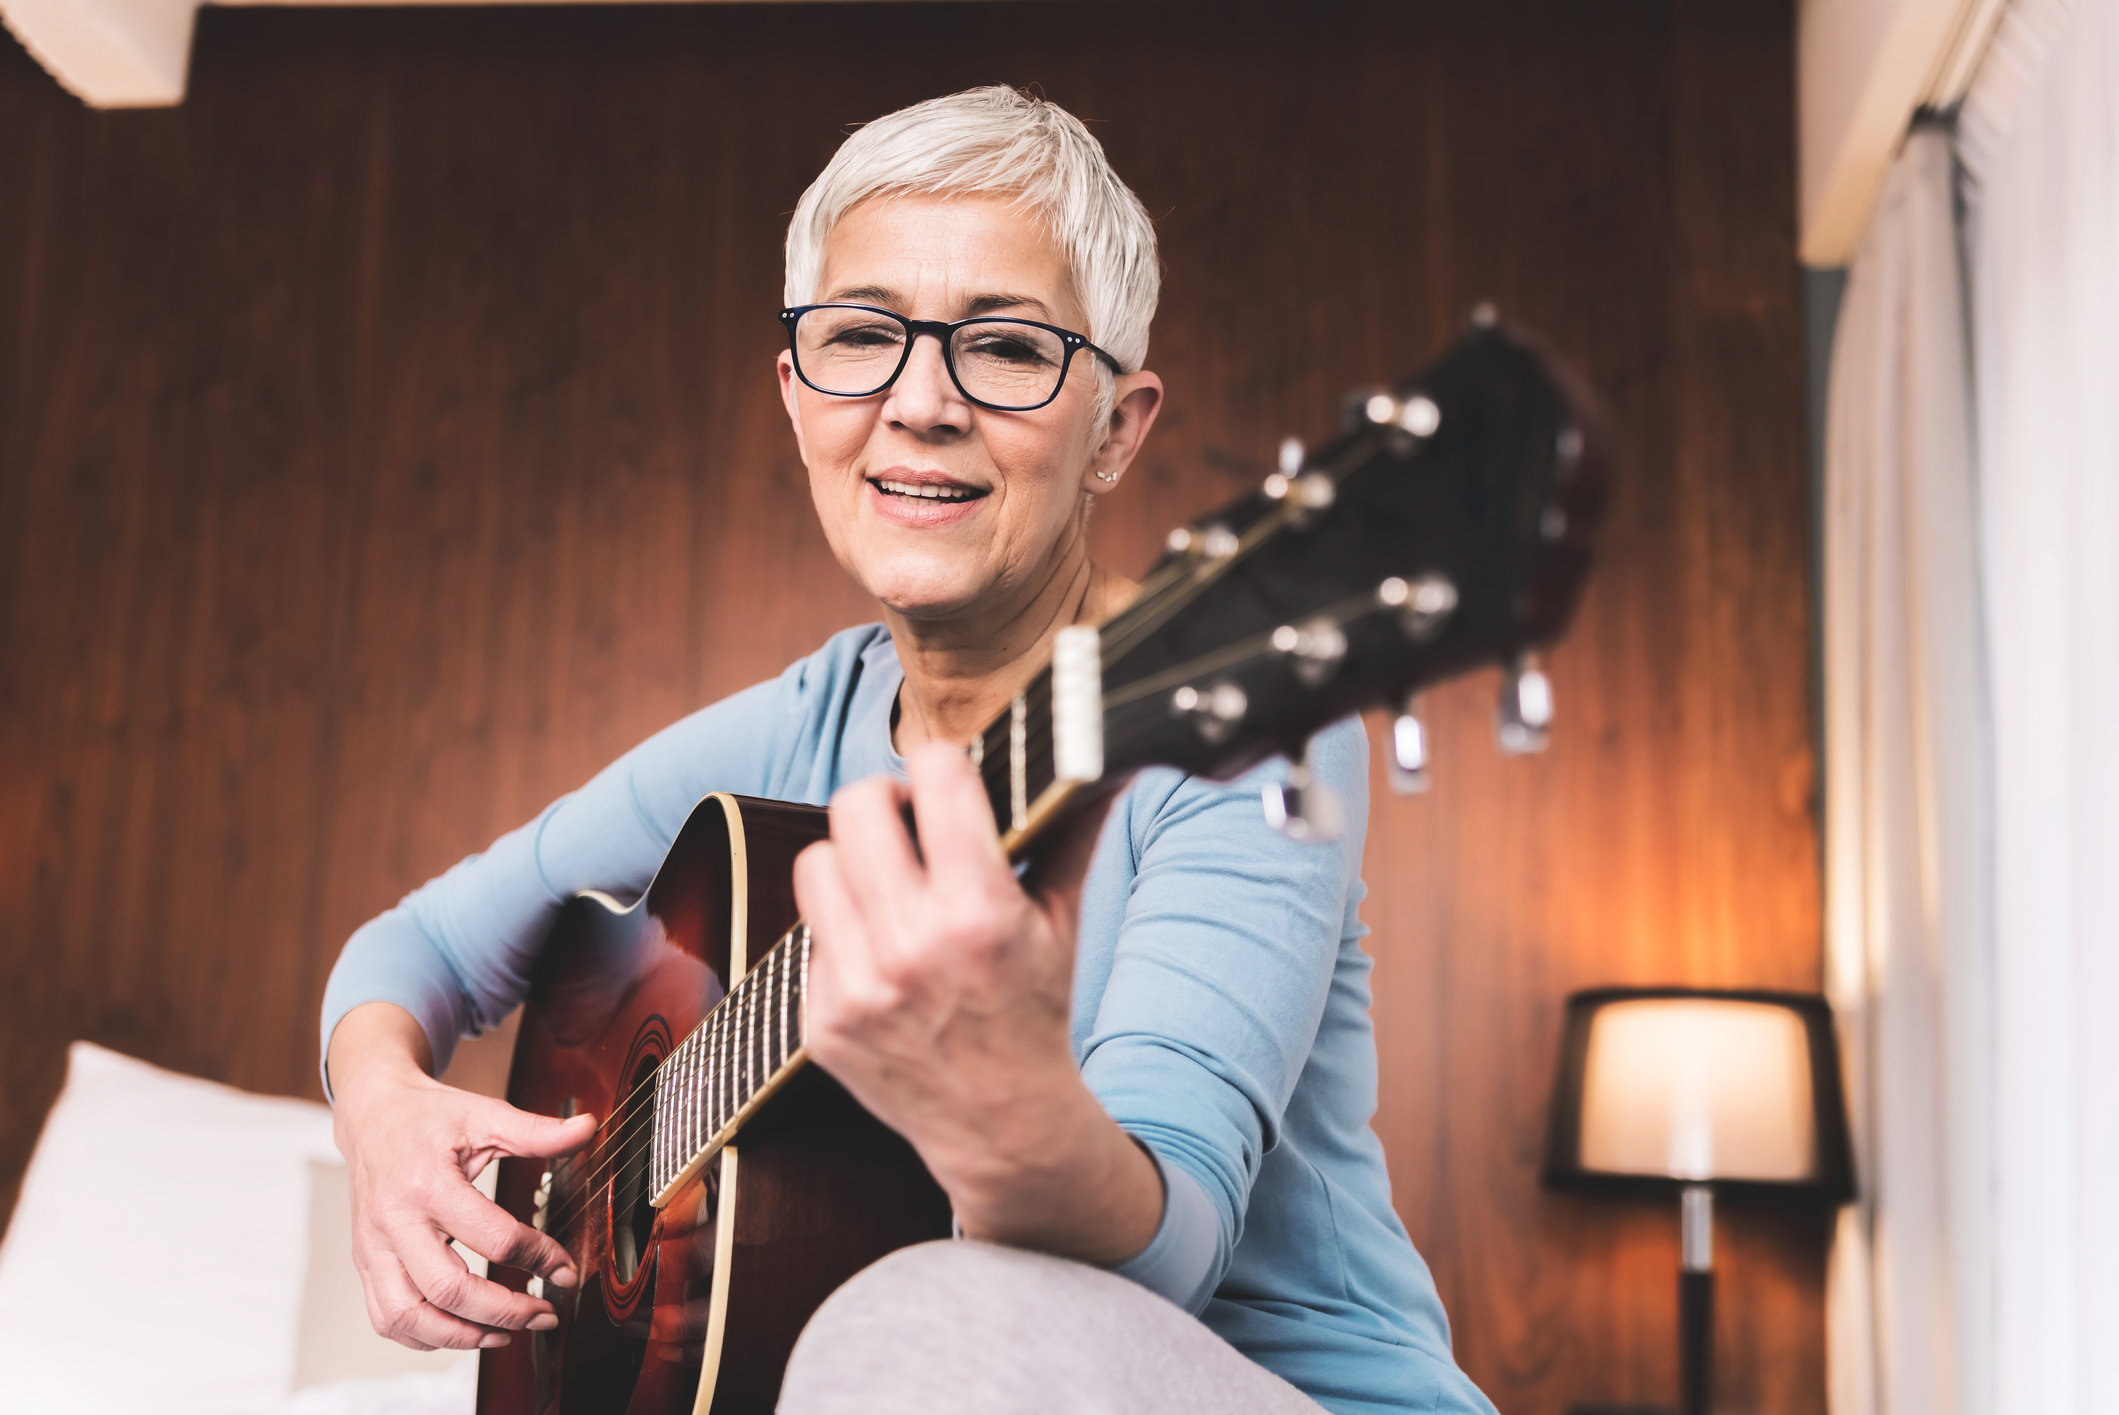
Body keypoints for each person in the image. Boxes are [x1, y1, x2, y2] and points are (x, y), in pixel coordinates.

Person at [321, 85, 1497, 1415]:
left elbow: (1168, 1245)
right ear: (795, 393)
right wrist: (381, 1117)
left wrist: (1003, 1107)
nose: (918, 401)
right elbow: (410, 952)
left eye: (1003, 348)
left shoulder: (1235, 727)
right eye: (862, 335)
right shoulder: (792, 731)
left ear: (1116, 427)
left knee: (925, 1316)